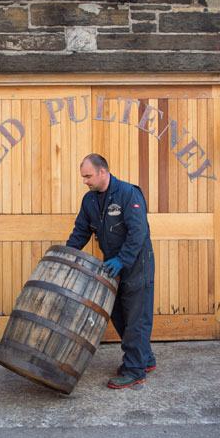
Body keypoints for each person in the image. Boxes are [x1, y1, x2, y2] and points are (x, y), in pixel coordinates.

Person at [66, 154, 156, 389]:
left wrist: (122, 260)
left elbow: (138, 232)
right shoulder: (90, 201)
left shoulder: (128, 193)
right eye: (83, 177)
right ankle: (145, 358)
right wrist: (66, 255)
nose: (85, 181)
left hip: (137, 264)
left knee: (137, 317)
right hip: (112, 266)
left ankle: (135, 370)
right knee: (118, 314)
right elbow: (81, 232)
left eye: (88, 176)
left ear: (103, 172)